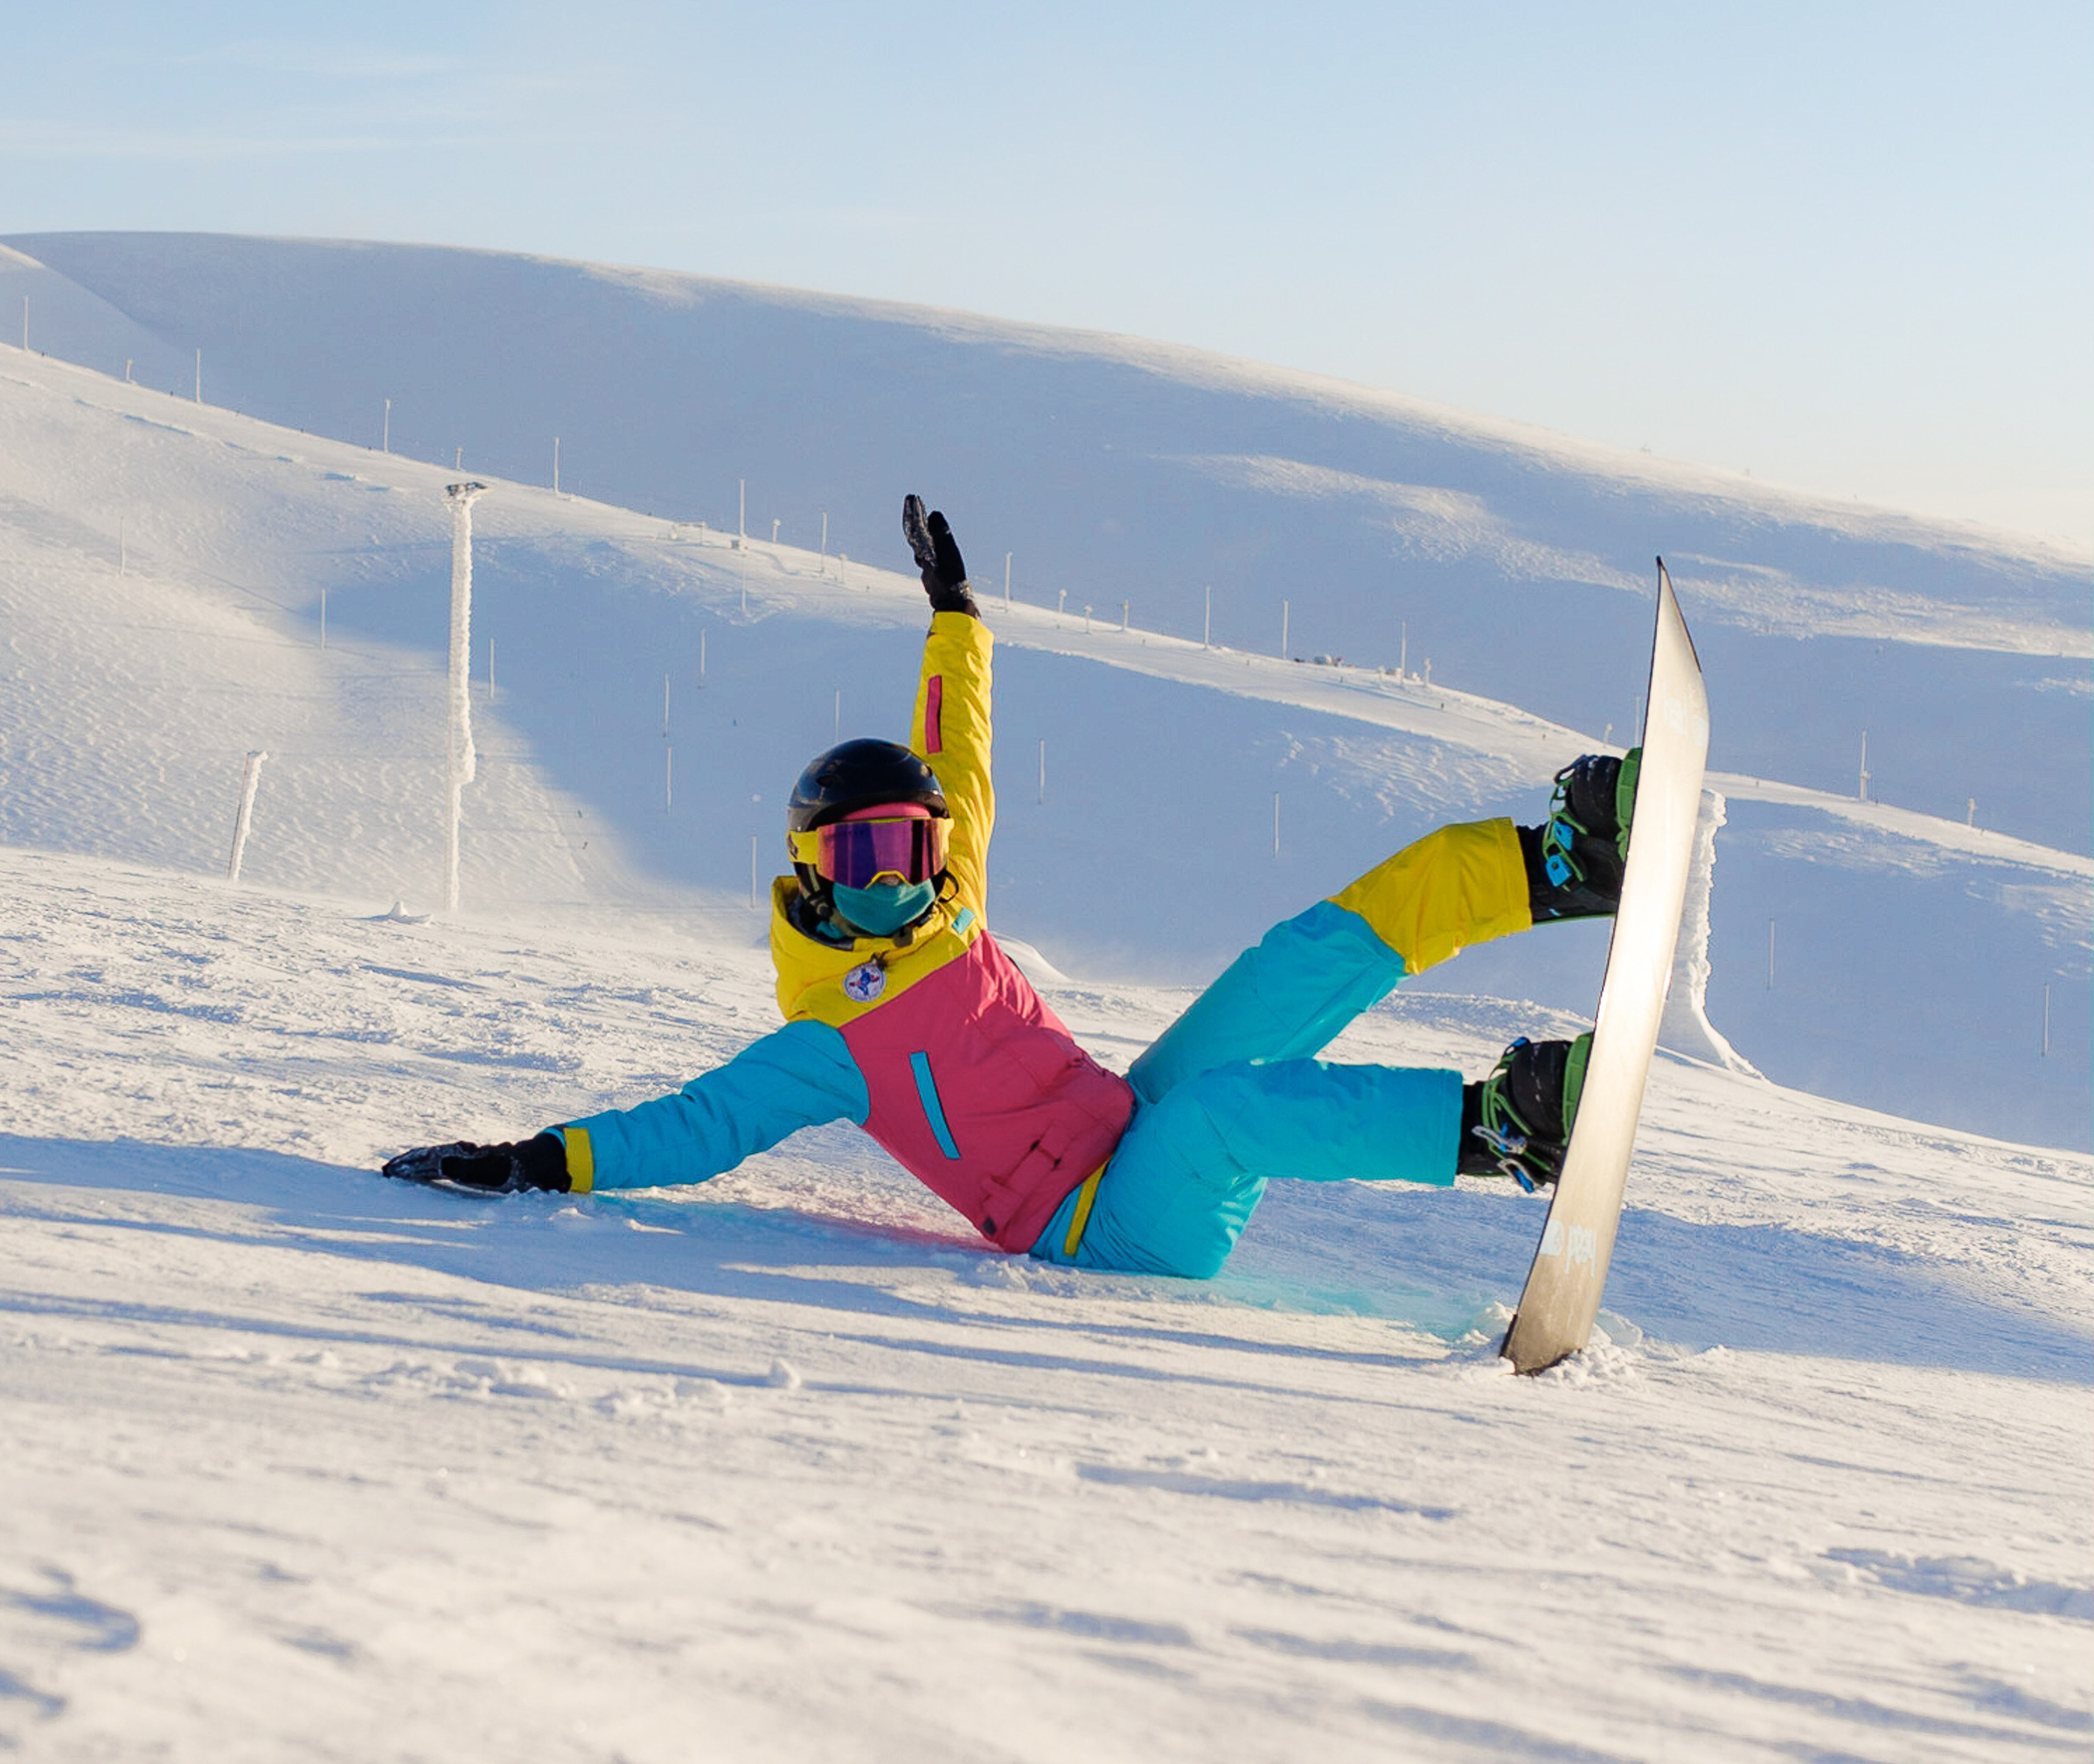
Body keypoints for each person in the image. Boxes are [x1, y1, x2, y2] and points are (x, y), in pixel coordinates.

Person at [383, 497, 1639, 1279]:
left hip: (1125, 1130)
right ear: (812, 869)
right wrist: (537, 1161)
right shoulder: (829, 1041)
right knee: (1226, 1116)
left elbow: (958, 750)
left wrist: (956, 618)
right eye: (859, 859)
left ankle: (1557, 865)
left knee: (1295, 961)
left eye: (909, 848)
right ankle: (1502, 1130)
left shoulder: (953, 902)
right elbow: (694, 1128)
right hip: (1104, 1231)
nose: (894, 879)